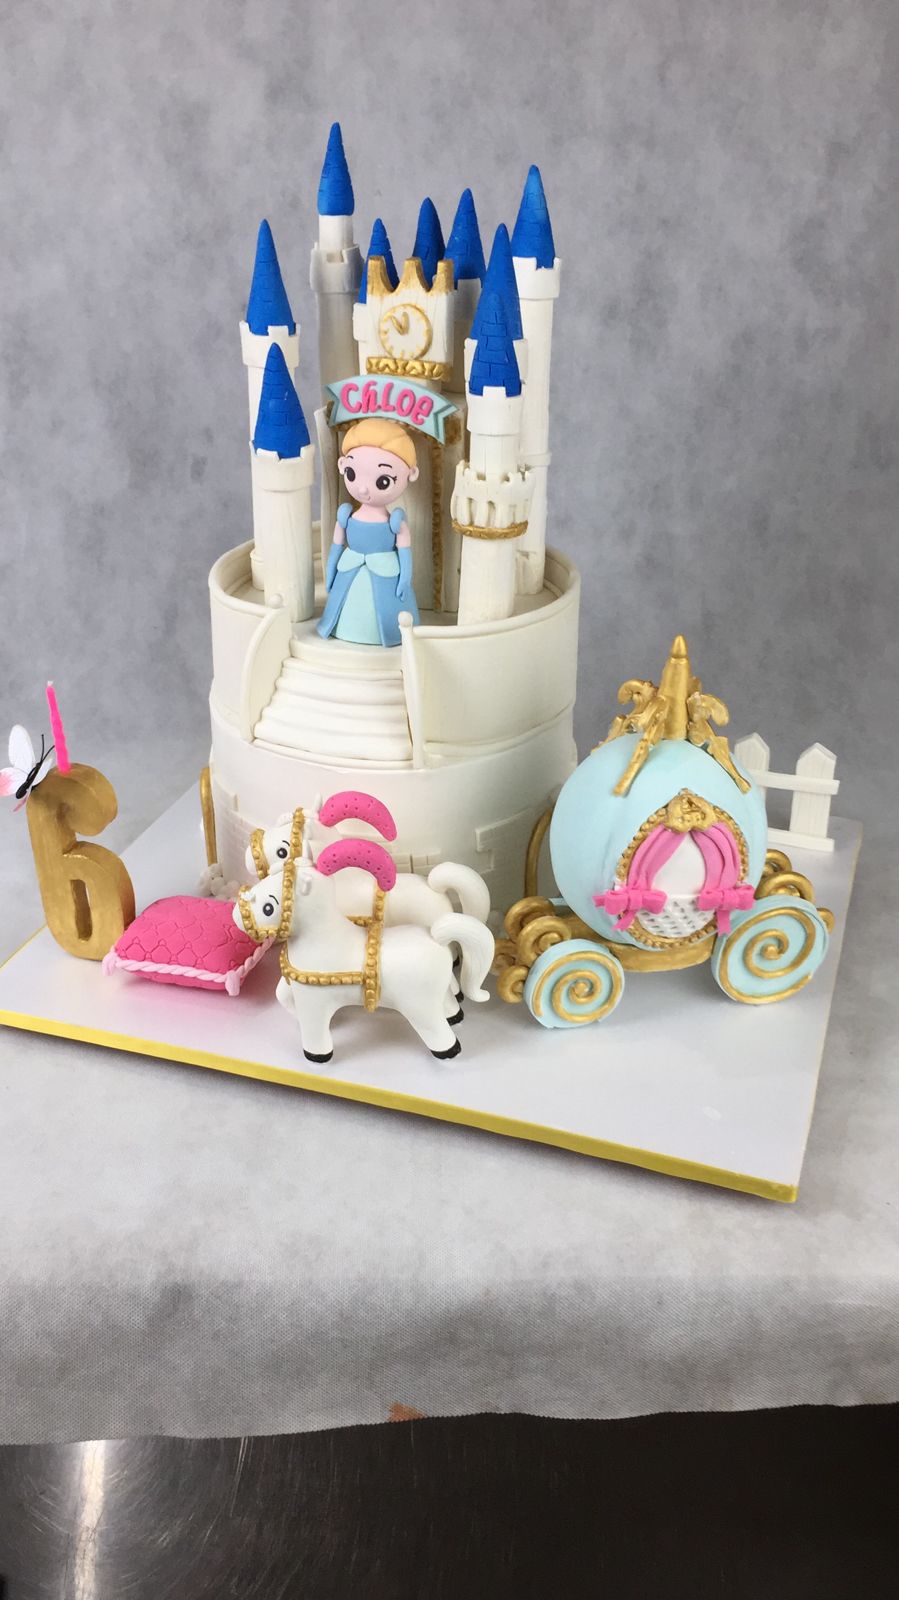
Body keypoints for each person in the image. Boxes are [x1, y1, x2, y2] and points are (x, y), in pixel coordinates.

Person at [317, 419, 421, 647]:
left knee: (386, 610)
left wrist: (404, 581)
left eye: (383, 481)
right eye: (352, 474)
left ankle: (388, 633)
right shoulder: (345, 515)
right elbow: (336, 548)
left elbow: (405, 555)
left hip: (386, 575)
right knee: (343, 606)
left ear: (411, 474)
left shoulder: (396, 522)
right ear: (342, 465)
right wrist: (331, 572)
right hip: (349, 568)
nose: (363, 488)